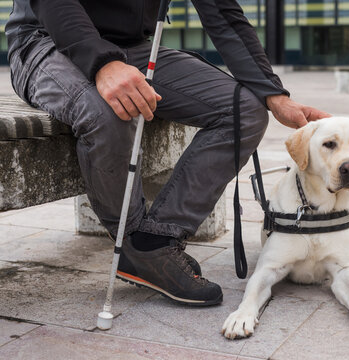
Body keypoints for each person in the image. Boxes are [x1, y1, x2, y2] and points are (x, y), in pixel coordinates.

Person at [6, 0, 330, 306]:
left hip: (131, 48)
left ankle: (156, 240)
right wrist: (102, 63)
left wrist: (274, 94)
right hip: (46, 40)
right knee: (109, 110)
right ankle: (137, 248)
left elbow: (223, 14)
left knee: (244, 109)